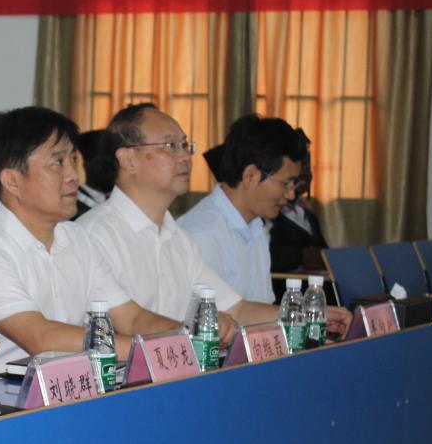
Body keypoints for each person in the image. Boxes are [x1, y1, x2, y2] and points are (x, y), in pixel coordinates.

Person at [0, 106, 183, 382]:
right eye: (57, 163)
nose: (73, 175)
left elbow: (131, 318)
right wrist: (153, 350)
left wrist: (187, 338)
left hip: (67, 392)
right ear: (12, 181)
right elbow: (41, 338)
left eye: (73, 159)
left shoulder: (77, 238)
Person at [77, 103, 350, 335]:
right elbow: (124, 325)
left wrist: (311, 314)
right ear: (128, 159)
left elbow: (237, 309)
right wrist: (196, 328)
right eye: (170, 145)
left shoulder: (177, 238)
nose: (185, 156)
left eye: (185, 145)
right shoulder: (93, 236)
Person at [178, 114, 305, 303]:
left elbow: (261, 306)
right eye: (285, 183)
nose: (291, 195)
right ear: (251, 175)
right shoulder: (201, 234)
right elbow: (209, 317)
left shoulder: (256, 227)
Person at [269, 151, 328, 272]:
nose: (305, 174)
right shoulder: (268, 213)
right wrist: (301, 256)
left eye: (308, 168)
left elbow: (325, 254)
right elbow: (267, 257)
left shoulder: (310, 216)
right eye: (300, 167)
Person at [73, 129, 115, 219]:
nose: (110, 167)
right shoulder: (73, 205)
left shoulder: (125, 201)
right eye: (102, 162)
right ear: (85, 164)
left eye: (114, 160)